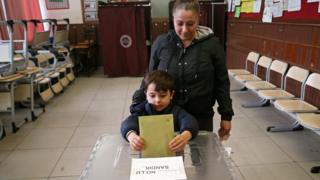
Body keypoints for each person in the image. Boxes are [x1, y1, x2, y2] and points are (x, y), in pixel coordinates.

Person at [131, 0, 234, 139]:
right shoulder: (162, 43)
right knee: (170, 156)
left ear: (198, 19)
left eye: (190, 24)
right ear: (173, 19)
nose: (184, 30)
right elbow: (149, 78)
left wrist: (226, 116)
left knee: (201, 158)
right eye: (179, 23)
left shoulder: (213, 45)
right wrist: (137, 105)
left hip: (201, 116)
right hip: (165, 114)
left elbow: (222, 82)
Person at [121, 70, 199, 152]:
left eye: (162, 96)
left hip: (173, 155)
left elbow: (190, 121)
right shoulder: (141, 110)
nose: (157, 100)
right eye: (152, 95)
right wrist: (131, 136)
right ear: (146, 94)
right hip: (147, 155)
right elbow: (127, 123)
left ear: (171, 95)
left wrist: (185, 135)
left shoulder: (176, 111)